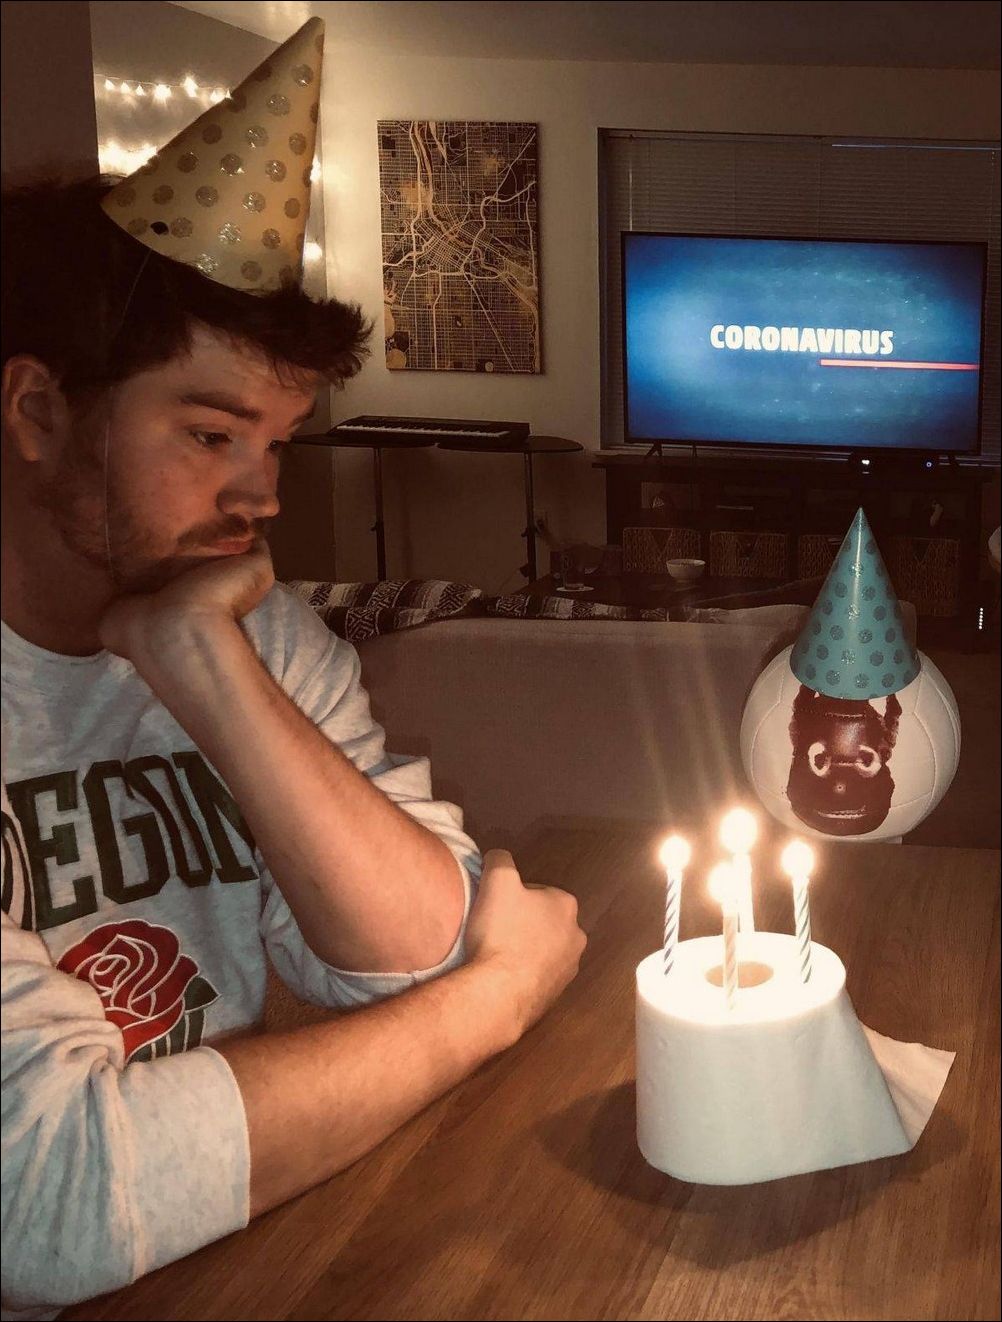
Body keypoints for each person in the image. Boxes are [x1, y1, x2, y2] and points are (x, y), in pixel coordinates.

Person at [0, 20, 585, 1320]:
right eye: (211, 434)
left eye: (277, 442)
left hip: (232, 1251)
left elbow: (412, 953)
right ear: (38, 412)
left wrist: (202, 662)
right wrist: (494, 1001)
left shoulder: (246, 635)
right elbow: (40, 1196)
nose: (261, 497)